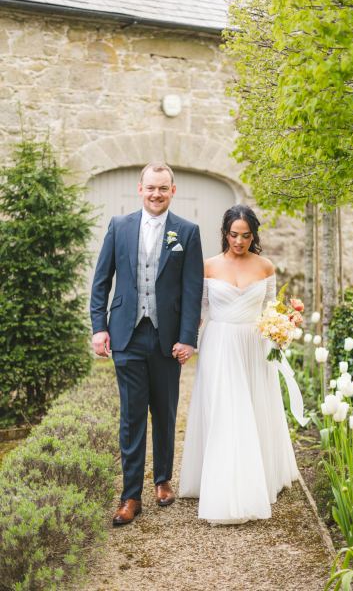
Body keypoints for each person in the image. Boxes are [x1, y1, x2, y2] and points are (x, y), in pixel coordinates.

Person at [90, 162, 203, 526]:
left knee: (166, 411)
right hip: (126, 334)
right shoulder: (119, 226)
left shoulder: (187, 231)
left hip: (166, 337)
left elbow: (192, 290)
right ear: (140, 189)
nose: (156, 194)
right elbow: (101, 281)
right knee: (132, 416)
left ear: (173, 191)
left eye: (163, 188)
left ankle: (163, 480)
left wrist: (188, 338)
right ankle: (130, 496)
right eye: (150, 187)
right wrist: (98, 327)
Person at [179, 204, 305, 524]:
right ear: (225, 233)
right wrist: (186, 341)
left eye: (246, 236)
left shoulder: (265, 267)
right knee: (226, 411)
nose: (239, 241)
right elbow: (199, 312)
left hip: (254, 344)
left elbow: (271, 310)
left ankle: (258, 475)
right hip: (219, 343)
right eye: (234, 235)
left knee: (254, 407)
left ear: (254, 235)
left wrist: (282, 328)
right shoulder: (208, 266)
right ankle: (224, 487)